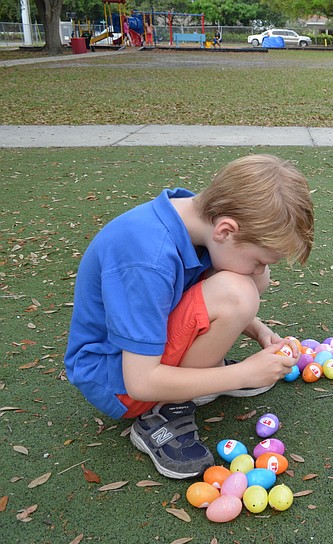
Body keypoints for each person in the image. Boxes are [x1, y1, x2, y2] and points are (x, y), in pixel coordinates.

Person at [64, 154, 314, 479]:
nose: (262, 269)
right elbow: (140, 382)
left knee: (248, 283)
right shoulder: (148, 260)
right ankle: (166, 413)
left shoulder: (191, 213)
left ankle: (198, 372)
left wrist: (258, 330)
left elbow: (182, 293)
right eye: (259, 259)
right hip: (117, 380)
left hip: (140, 355)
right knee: (238, 292)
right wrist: (244, 374)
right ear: (225, 230)